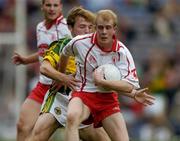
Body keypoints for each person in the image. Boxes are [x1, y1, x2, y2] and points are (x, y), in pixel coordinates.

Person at [39, 9, 155, 141]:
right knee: (71, 117)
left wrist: (104, 83)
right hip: (83, 95)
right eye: (100, 27)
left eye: (108, 28)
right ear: (95, 27)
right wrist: (61, 76)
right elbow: (65, 54)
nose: (104, 32)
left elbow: (128, 86)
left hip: (107, 100)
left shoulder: (122, 53)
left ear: (114, 29)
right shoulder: (80, 42)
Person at [28, 6, 111, 141]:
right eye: (82, 26)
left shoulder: (100, 50)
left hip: (83, 105)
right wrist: (63, 78)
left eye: (91, 27)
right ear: (70, 29)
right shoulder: (61, 45)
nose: (87, 31)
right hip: (59, 100)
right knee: (36, 137)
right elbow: (44, 68)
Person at [12, 0, 71, 141]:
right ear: (42, 7)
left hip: (61, 88)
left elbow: (72, 56)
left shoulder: (66, 28)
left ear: (61, 7)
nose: (52, 9)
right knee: (22, 126)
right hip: (43, 85)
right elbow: (44, 53)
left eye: (55, 5)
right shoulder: (40, 27)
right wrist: (26, 59)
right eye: (48, 5)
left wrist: (61, 76)